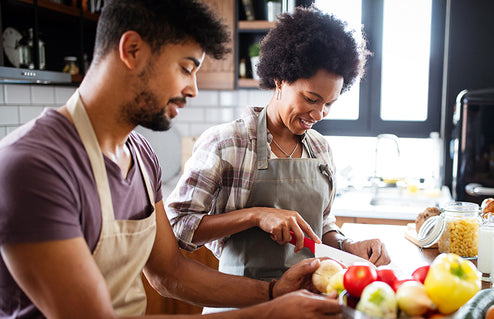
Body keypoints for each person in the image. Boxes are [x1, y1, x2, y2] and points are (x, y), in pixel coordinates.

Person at [0, 1, 341, 318]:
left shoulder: (141, 157)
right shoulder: (33, 166)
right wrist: (269, 311)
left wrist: (272, 292)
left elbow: (171, 274)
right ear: (131, 50)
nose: (193, 88)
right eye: (186, 67)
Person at [166, 6, 391, 291]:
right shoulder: (226, 143)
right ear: (280, 79)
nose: (319, 114)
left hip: (309, 300)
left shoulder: (321, 150)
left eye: (329, 104)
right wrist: (256, 215)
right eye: (311, 99)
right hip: (241, 301)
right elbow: (178, 226)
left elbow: (321, 230)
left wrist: (349, 246)